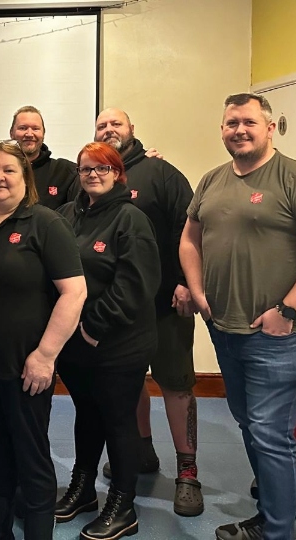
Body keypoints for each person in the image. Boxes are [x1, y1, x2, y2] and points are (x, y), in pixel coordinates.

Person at [180, 93, 296, 540]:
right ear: (222, 129)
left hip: (278, 334)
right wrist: (197, 291)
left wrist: (287, 309)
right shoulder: (212, 180)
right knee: (250, 425)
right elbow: (190, 241)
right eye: (231, 122)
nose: (240, 130)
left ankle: (277, 532)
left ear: (269, 128)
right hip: (224, 329)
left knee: (271, 436)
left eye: (249, 122)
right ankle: (271, 516)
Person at [0, 140, 86, 539]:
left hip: (26, 369)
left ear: (25, 177)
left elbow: (74, 293)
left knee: (31, 460)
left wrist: (45, 356)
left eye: (8, 170)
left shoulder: (46, 224)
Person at [94, 108, 203, 517]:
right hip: (117, 309)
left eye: (115, 124)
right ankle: (142, 451)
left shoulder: (162, 173)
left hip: (165, 304)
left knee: (176, 385)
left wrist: (184, 282)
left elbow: (189, 230)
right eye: (102, 126)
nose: (109, 130)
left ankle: (188, 473)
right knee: (129, 381)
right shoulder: (92, 176)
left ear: (132, 130)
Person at [54, 142, 161, 539]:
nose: (93, 174)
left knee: (118, 421)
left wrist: (95, 325)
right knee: (88, 413)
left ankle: (123, 505)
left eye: (102, 168)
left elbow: (137, 284)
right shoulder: (65, 215)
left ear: (118, 173)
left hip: (118, 342)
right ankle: (82, 491)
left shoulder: (131, 218)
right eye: (85, 169)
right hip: (75, 344)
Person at [9, 105, 79, 209]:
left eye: (35, 128)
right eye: (22, 128)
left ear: (43, 134)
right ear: (11, 133)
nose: (29, 134)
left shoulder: (65, 171)